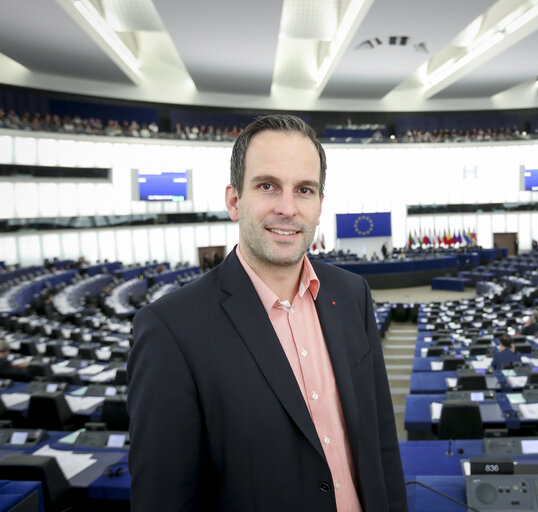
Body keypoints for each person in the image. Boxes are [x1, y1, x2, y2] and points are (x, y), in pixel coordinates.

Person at [128, 115, 406, 511]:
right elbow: (164, 500)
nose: (288, 208)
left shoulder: (351, 294)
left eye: (304, 189)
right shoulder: (170, 329)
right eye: (267, 186)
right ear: (233, 200)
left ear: (320, 205)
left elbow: (380, 443)